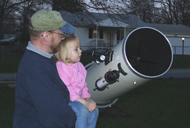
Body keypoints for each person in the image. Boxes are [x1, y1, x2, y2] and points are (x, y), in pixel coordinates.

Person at [12, 10, 77, 128]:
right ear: (45, 36)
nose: (63, 38)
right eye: (61, 34)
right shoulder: (35, 68)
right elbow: (55, 116)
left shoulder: (44, 59)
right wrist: (75, 118)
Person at [54, 34, 99, 128]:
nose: (80, 51)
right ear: (65, 52)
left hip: (78, 99)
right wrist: (85, 103)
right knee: (82, 109)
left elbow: (83, 83)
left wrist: (86, 97)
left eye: (80, 48)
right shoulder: (61, 66)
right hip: (67, 100)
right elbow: (68, 89)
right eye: (76, 49)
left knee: (94, 109)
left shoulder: (79, 65)